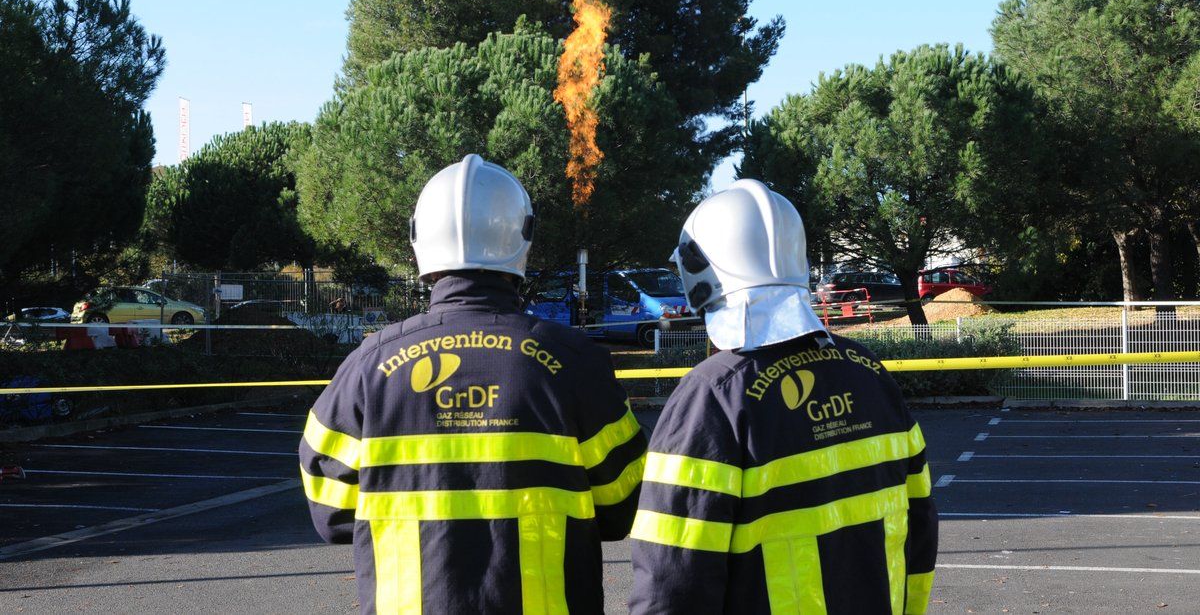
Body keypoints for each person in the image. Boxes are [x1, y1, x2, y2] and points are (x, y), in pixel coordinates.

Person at [300, 154, 646, 614]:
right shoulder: (575, 363)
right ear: (521, 238)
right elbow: (621, 503)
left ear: (419, 237)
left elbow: (332, 513)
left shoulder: (369, 366)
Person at [629, 179, 937, 614]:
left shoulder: (712, 396)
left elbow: (671, 581)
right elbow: (919, 528)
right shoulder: (869, 373)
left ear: (700, 272)